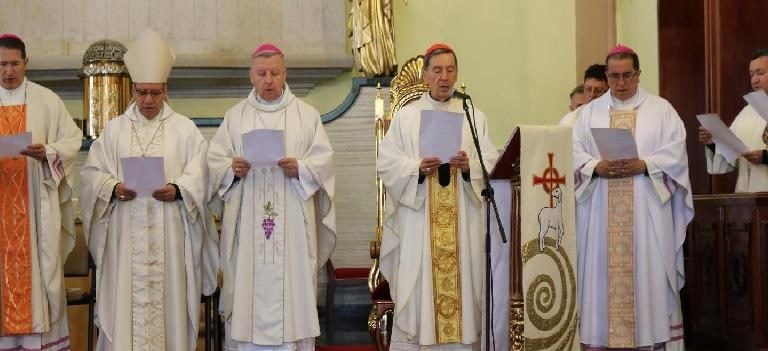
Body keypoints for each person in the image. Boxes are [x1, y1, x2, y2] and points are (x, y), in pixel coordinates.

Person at [80, 28, 218, 351]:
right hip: (126, 237)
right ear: (133, 91)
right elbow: (91, 174)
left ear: (166, 90)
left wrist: (180, 189)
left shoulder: (185, 131)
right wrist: (113, 188)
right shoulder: (114, 132)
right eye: (142, 92)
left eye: (155, 93)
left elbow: (203, 172)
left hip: (170, 237)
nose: (148, 101)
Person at [207, 43, 336, 350]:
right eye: (262, 73)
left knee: (292, 301)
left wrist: (301, 169)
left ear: (285, 74)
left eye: (274, 73)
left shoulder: (307, 116)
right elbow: (214, 163)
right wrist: (231, 169)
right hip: (247, 234)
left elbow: (325, 162)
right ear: (251, 76)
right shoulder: (235, 117)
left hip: (292, 229)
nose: (268, 80)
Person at [377, 43, 498, 350]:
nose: (445, 77)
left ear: (457, 73)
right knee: (420, 290)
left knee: (464, 290)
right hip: (420, 220)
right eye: (437, 70)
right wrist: (416, 168)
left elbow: (490, 161)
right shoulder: (407, 116)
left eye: (450, 70)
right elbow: (387, 163)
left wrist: (470, 168)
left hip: (462, 220)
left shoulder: (472, 115)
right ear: (425, 75)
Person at [572, 44, 692, 350]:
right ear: (607, 75)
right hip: (600, 216)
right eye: (614, 76)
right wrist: (595, 166)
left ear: (638, 74)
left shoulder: (661, 110)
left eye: (627, 75)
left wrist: (645, 165)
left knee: (647, 277)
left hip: (646, 216)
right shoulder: (587, 114)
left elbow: (676, 155)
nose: (621, 83)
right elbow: (572, 154)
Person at [0, 33, 81, 351]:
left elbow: (72, 142)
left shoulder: (47, 101)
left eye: (14, 64)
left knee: (41, 275)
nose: (8, 71)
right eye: (2, 64)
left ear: (26, 63)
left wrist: (46, 152)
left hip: (36, 210)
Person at [699, 48, 768, 192]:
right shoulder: (747, 112)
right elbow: (728, 160)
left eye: (760, 73)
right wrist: (713, 142)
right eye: (751, 74)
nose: (755, 80)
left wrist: (765, 157)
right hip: (745, 200)